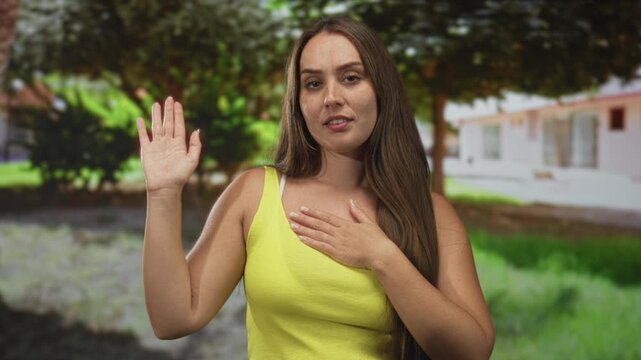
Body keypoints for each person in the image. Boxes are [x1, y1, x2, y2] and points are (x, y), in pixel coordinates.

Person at [137, 16, 495, 360]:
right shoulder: (255, 193)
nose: (331, 97)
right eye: (313, 83)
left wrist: (381, 256)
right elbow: (173, 319)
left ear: (382, 90)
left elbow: (471, 351)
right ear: (298, 103)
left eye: (351, 78)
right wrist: (163, 194)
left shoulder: (431, 214)